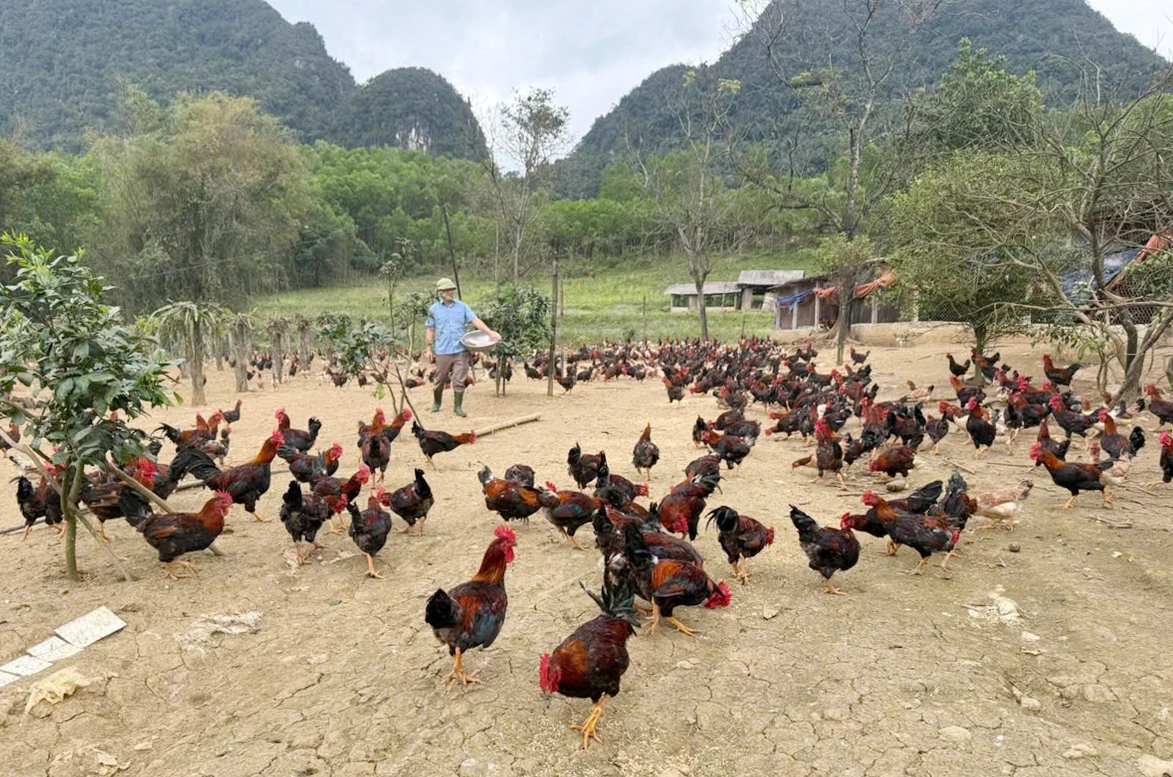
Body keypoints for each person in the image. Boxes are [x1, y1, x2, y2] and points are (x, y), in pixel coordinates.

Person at [425, 277, 501, 417]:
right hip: (443, 350)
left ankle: (458, 407)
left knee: (459, 379)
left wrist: (490, 333)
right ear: (441, 292)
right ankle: (437, 403)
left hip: (461, 350)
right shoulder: (433, 310)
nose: (451, 292)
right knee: (440, 379)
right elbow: (430, 329)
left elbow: (475, 320)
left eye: (452, 290)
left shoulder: (462, 307)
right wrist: (429, 348)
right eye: (448, 290)